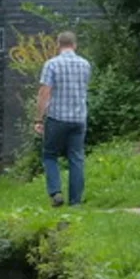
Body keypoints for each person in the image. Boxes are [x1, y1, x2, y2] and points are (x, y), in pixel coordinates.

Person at [34, 31, 92, 207]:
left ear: (58, 45)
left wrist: (38, 118)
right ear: (75, 45)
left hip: (57, 118)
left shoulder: (52, 65)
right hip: (78, 119)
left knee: (50, 155)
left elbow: (45, 92)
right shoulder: (85, 64)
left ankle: (56, 192)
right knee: (76, 158)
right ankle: (75, 202)